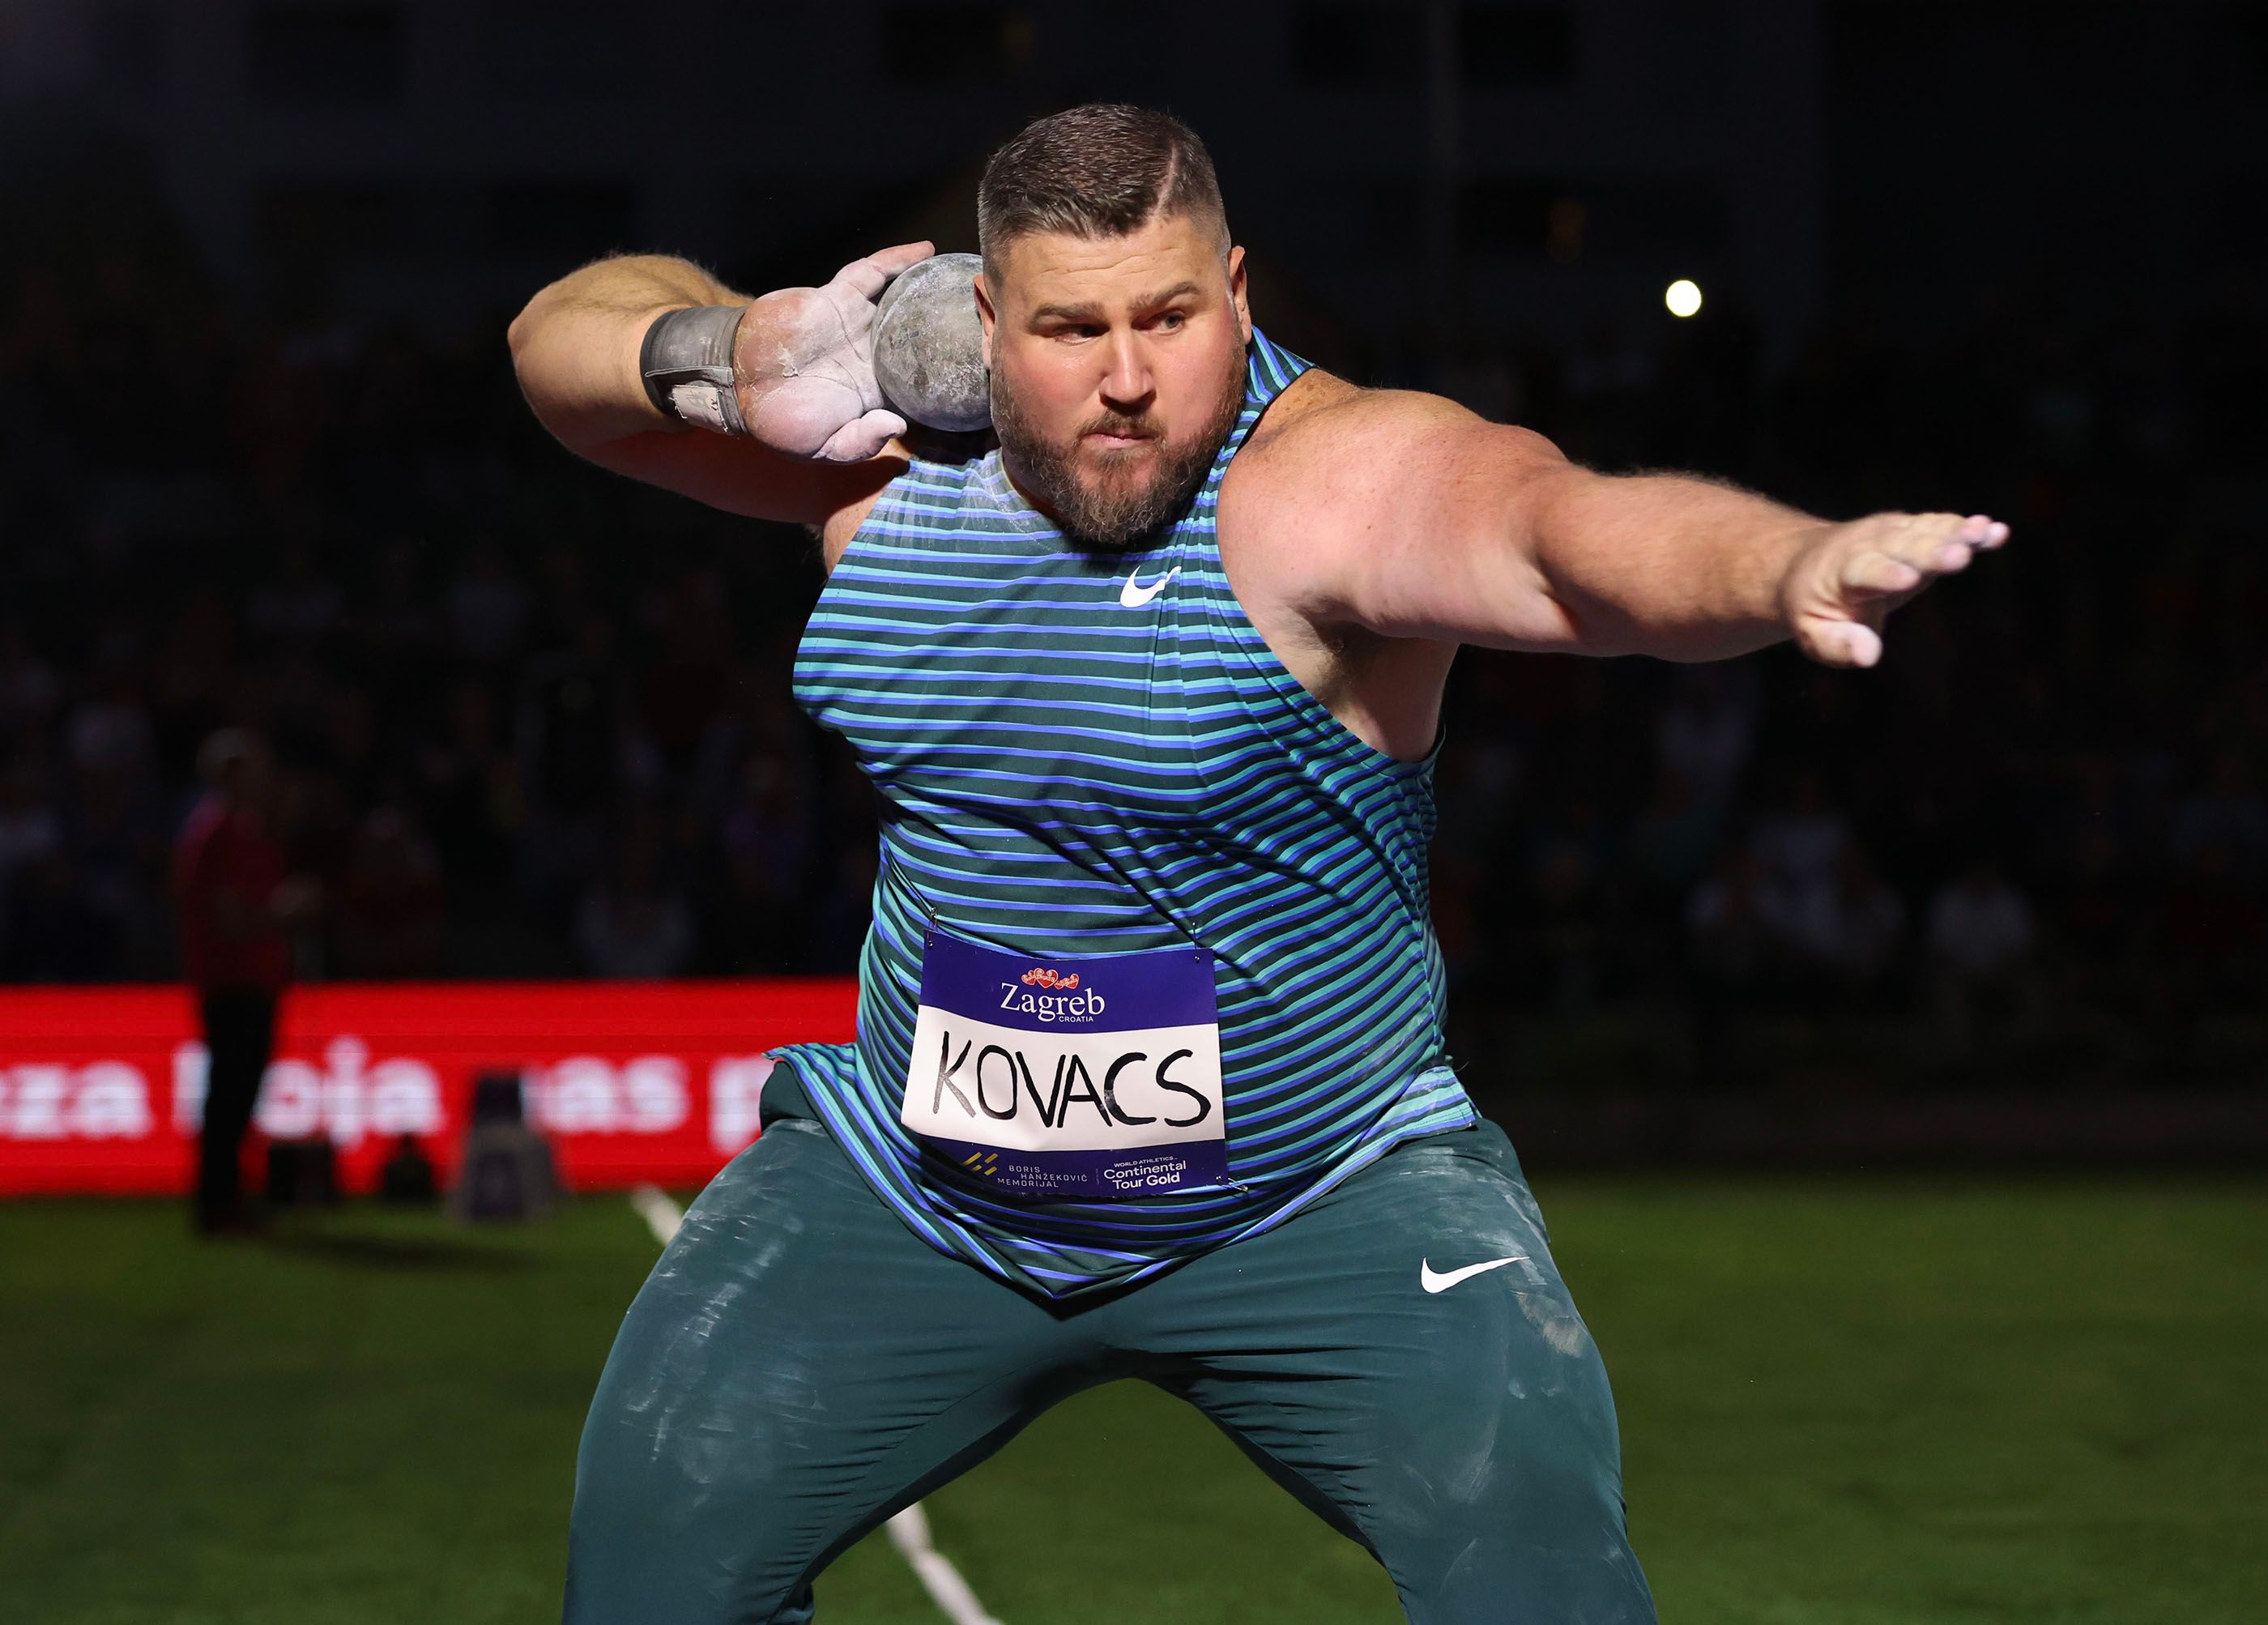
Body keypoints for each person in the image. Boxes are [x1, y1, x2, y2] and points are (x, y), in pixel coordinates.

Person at [509, 104, 2010, 1624]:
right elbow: (555, 361)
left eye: (1171, 316)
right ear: (977, 318)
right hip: (925, 1187)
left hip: (1323, 1195)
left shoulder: (1332, 483)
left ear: (1237, 290)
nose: (1127, 379)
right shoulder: (884, 469)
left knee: (1542, 1585)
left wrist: (1787, 565)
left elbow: (1567, 537)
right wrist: (739, 349)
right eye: (1069, 327)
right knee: (650, 1566)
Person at [171, 729, 310, 1235]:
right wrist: (283, 914)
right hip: (232, 983)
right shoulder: (217, 835)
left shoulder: (248, 834)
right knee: (229, 1095)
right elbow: (229, 918)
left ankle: (229, 1199)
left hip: (255, 981)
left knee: (241, 1094)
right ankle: (217, 1203)